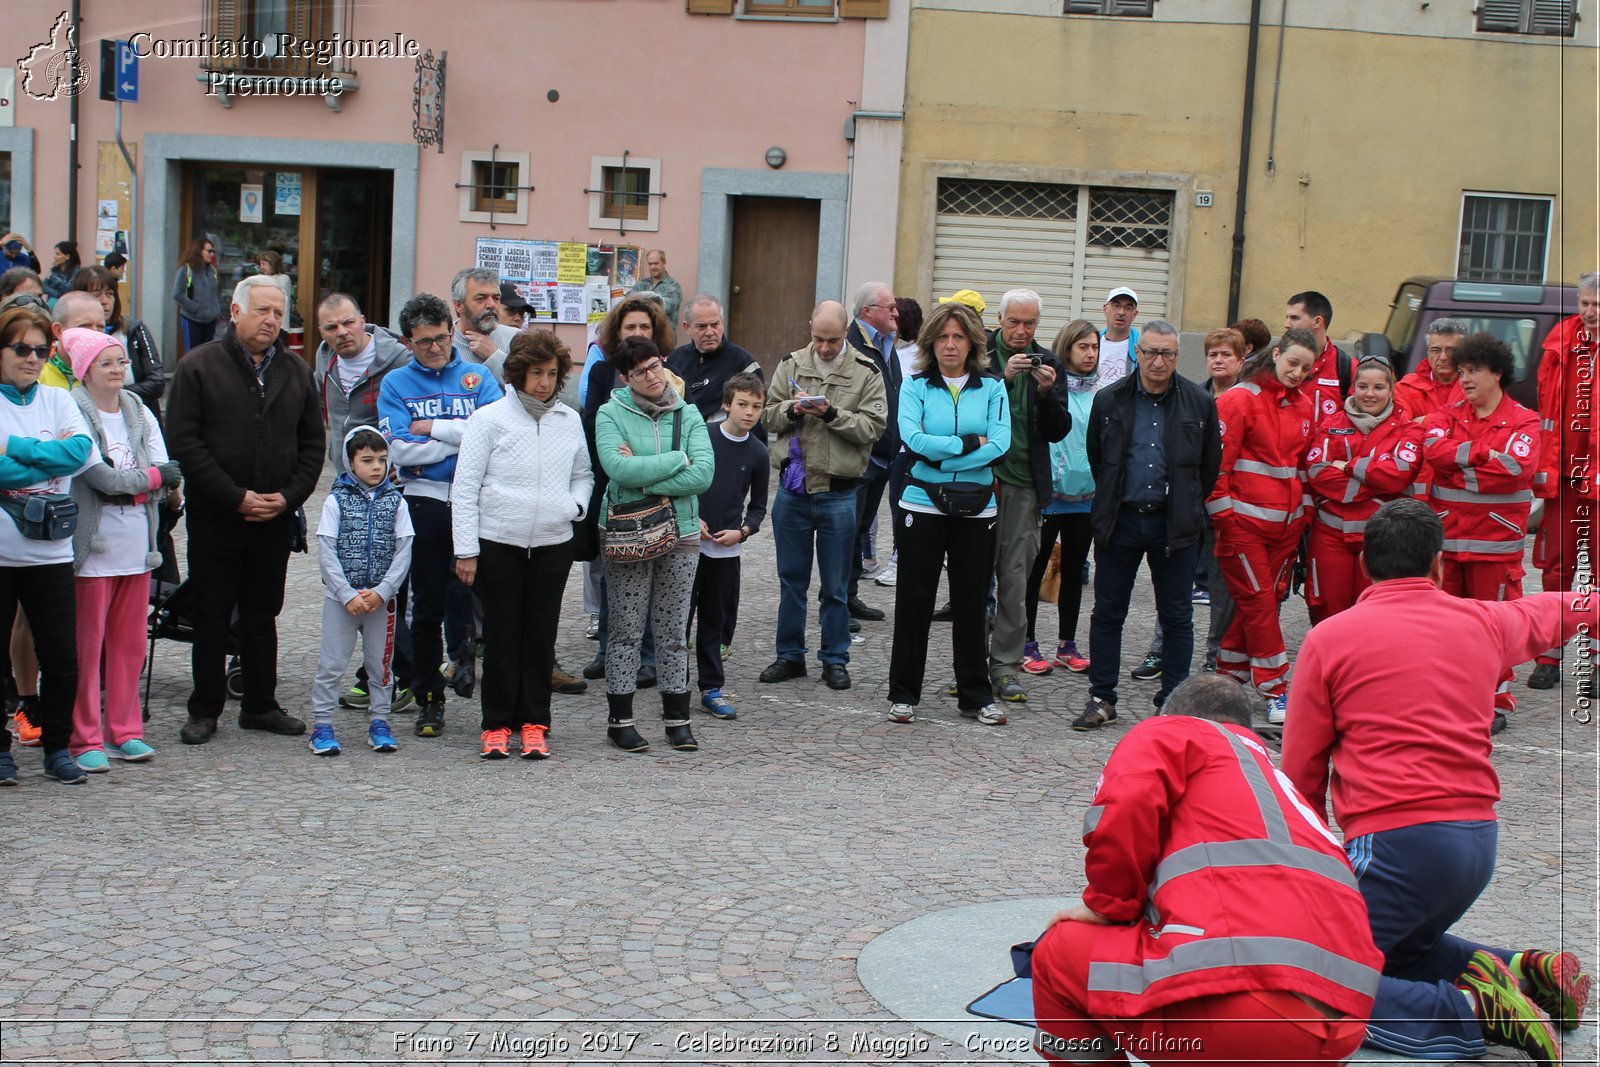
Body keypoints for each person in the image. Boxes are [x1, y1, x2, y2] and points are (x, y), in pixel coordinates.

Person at [1282, 498, 1590, 1062]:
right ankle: (1525, 971)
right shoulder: (1484, 621)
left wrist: (1312, 859)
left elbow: (1302, 768)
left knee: (1314, 975)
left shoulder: (1331, 638)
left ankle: (1474, 1011)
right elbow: (1559, 608)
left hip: (1395, 843)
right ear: (1439, 565)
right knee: (1392, 951)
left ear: (1366, 568)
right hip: (1477, 842)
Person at [1030, 674, 1381, 1066]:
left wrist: (1107, 906)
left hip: (1248, 1015)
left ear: (1173, 714)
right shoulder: (1279, 789)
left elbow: (1126, 801)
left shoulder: (1173, 733)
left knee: (1057, 955)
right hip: (1344, 1025)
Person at [166, 275, 325, 745]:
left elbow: (313, 444)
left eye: (278, 312)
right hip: (217, 514)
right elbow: (184, 443)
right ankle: (205, 708)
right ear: (235, 313)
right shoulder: (199, 366)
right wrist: (234, 496)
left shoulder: (295, 371)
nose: (271, 320)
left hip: (274, 516)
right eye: (262, 310)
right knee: (213, 613)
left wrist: (289, 496)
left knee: (262, 612)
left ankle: (260, 704)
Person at [451, 331, 590, 760]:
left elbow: (583, 474)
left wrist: (574, 505)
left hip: (553, 544)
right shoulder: (489, 419)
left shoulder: (569, 420)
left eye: (552, 374)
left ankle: (534, 722)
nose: (545, 382)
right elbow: (466, 486)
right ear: (517, 374)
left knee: (540, 637)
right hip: (498, 543)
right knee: (501, 634)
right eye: (536, 373)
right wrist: (466, 550)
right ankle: (496, 724)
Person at [1077, 321, 1220, 730]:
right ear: (1137, 353)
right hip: (1120, 521)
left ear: (1178, 356)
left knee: (1176, 615)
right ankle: (1102, 697)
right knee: (1108, 613)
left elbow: (1208, 469)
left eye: (1169, 354)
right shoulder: (1109, 400)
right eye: (1152, 352)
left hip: (1173, 525)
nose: (1159, 361)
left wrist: (1188, 506)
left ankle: (1172, 700)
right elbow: (1098, 458)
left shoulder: (1199, 402)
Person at [377, 293, 504, 739]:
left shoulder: (477, 375)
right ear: (407, 342)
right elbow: (396, 449)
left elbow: (495, 436)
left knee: (477, 594)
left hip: (475, 502)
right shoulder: (396, 384)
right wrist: (463, 438)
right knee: (426, 604)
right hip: (423, 502)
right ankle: (429, 697)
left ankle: (477, 674)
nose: (435, 348)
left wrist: (431, 428)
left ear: (453, 331)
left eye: (442, 338)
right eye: (423, 342)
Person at [885, 301, 1010, 726]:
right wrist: (968, 447)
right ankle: (903, 694)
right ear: (931, 342)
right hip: (921, 503)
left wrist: (945, 454)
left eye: (958, 336)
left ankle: (976, 696)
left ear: (973, 341)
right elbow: (912, 439)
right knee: (914, 598)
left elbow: (1001, 444)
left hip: (978, 508)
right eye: (942, 337)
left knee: (972, 602)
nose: (950, 345)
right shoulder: (915, 386)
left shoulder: (993, 388)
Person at [759, 301, 887, 692]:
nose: (825, 347)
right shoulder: (792, 364)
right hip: (794, 490)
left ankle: (834, 659)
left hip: (839, 493)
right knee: (791, 580)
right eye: (818, 338)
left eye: (832, 340)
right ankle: (789, 656)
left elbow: (873, 428)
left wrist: (832, 414)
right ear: (810, 329)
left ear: (846, 332)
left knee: (834, 586)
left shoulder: (866, 372)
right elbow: (765, 415)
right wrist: (792, 409)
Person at [65, 328, 177, 772]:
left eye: (121, 362)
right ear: (85, 371)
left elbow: (165, 465)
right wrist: (149, 481)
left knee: (130, 646)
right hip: (93, 548)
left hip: (137, 547)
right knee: (87, 647)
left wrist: (149, 481)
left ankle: (125, 730)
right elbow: (102, 477)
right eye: (107, 363)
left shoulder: (137, 408)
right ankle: (84, 736)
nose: (118, 370)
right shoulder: (73, 409)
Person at [595, 336, 714, 753]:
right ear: (626, 378)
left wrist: (640, 476)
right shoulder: (611, 414)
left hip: (680, 531)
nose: (651, 376)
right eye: (640, 371)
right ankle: (620, 720)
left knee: (672, 630)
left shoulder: (690, 413)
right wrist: (677, 460)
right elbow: (614, 467)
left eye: (655, 365)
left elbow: (704, 476)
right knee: (626, 629)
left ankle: (676, 720)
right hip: (628, 530)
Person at [0, 304, 99, 785]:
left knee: (62, 657)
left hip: (51, 553)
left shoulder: (59, 401)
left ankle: (58, 748)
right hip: (2, 553)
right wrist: (49, 460)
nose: (32, 358)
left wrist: (16, 450)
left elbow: (79, 454)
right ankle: (1, 752)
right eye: (21, 348)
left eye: (41, 350)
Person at [1421, 332, 1541, 730]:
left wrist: (1460, 464)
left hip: (1496, 548)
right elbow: (1433, 453)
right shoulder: (1446, 415)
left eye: (1474, 371)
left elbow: (1515, 471)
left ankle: (1495, 699)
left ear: (1498, 374)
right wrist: (1483, 453)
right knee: (1446, 629)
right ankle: (1447, 699)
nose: (1465, 379)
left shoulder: (1525, 420)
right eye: (1462, 372)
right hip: (1447, 545)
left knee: (1495, 626)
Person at [1209, 327, 1317, 724]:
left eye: (1305, 368)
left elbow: (1301, 466)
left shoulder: (1304, 405)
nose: (1297, 373)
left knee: (1262, 603)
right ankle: (1275, 688)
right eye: (1292, 363)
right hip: (1244, 527)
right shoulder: (1238, 401)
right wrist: (1225, 519)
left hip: (1285, 529)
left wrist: (1302, 514)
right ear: (1275, 355)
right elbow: (1216, 468)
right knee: (1258, 603)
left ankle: (1227, 675)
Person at [578, 293, 679, 685]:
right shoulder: (604, 372)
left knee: (655, 570)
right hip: (612, 483)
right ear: (616, 332)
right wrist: (620, 453)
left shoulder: (668, 373)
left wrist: (635, 454)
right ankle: (608, 648)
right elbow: (592, 423)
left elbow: (674, 433)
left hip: (658, 486)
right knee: (612, 570)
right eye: (629, 327)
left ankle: (649, 655)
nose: (636, 333)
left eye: (644, 328)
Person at [985, 288, 1070, 704]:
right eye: (1014, 322)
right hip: (979, 481)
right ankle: (968, 668)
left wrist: (1045, 393)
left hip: (1023, 485)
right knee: (971, 579)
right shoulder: (979, 354)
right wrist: (1004, 378)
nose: (1021, 332)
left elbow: (1058, 430)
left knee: (1015, 582)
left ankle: (1004, 668)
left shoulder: (1050, 363)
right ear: (999, 319)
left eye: (1030, 323)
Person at [308, 427, 413, 758]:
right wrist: (346, 593)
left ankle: (380, 720)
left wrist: (383, 591)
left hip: (382, 603)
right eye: (367, 460)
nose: (376, 467)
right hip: (341, 602)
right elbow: (327, 550)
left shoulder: (396, 501)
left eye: (382, 460)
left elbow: (403, 549)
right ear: (350, 463)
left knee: (380, 665)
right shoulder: (336, 500)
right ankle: (322, 725)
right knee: (332, 663)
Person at [1305, 355, 1424, 624]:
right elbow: (1317, 472)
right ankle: (1332, 665)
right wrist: (1372, 482)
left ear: (1392, 390)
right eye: (1363, 386)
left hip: (1382, 537)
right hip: (1331, 535)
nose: (1369, 394)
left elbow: (1398, 476)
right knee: (1327, 609)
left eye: (1378, 387)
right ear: (1353, 388)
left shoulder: (1408, 429)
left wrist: (1348, 466)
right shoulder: (1330, 424)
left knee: (1375, 613)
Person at [1530, 272, 1600, 693]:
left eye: (1599, 306)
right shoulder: (1559, 344)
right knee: (1557, 569)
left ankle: (1594, 659)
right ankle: (1548, 656)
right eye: (1586, 303)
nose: (1591, 313)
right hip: (1565, 480)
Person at [692, 373, 769, 721]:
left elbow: (758, 507)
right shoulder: (703, 437)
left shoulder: (758, 453)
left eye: (756, 406)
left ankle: (711, 687)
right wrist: (690, 517)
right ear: (727, 404)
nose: (749, 412)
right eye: (742, 404)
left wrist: (743, 531)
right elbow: (682, 481)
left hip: (725, 550)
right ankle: (671, 681)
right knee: (675, 618)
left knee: (714, 620)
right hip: (687, 543)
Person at [1022, 320, 1097, 677]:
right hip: (1050, 492)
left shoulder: (1103, 391)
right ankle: (1026, 641)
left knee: (1073, 572)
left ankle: (1067, 644)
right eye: (1083, 346)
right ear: (1066, 348)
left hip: (1086, 494)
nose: (1090, 353)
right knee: (1036, 570)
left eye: (1095, 347)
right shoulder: (1050, 384)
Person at [844, 281, 899, 623]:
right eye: (889, 307)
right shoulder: (852, 345)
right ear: (868, 312)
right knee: (847, 532)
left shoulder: (885, 343)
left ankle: (849, 596)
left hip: (882, 456)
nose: (896, 312)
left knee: (860, 527)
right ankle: (839, 601)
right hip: (860, 455)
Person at [68, 266, 163, 417]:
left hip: (135, 416)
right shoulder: (71, 337)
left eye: (110, 294)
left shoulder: (133, 330)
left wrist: (114, 395)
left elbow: (157, 382)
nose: (105, 301)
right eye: (96, 294)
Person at [666, 294, 763, 427]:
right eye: (702, 326)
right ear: (687, 327)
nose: (710, 332)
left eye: (715, 324)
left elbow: (755, 415)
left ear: (723, 323)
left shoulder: (743, 363)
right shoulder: (675, 360)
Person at [1285, 289, 1352, 427]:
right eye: (1287, 318)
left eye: (1294, 318)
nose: (1286, 324)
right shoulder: (1278, 362)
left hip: (1327, 447)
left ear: (1317, 322)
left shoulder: (1347, 368)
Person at [451, 267, 519, 385]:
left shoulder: (516, 339)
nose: (491, 305)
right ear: (459, 305)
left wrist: (494, 356)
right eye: (481, 298)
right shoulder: (443, 342)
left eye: (496, 298)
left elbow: (529, 392)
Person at [1393, 317, 1466, 424]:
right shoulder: (1405, 388)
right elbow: (1400, 427)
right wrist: (1452, 421)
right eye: (1436, 350)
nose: (1443, 357)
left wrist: (1423, 421)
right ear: (1427, 352)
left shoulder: (1476, 386)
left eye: (1451, 350)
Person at [40, 291, 106, 390]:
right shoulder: (37, 374)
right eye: (85, 326)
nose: (95, 333)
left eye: (100, 327)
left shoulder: (108, 373)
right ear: (58, 330)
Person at [171, 236, 221, 354]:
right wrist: (195, 307)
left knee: (206, 352)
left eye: (213, 251)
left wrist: (215, 309)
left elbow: (215, 292)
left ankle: (204, 373)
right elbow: (177, 294)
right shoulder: (186, 270)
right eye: (209, 251)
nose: (212, 254)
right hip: (192, 319)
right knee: (193, 353)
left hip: (210, 320)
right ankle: (190, 373)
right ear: (199, 251)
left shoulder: (212, 270)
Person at [1096, 286, 1140, 388]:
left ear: (1135, 314)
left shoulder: (1142, 347)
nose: (1121, 312)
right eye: (1116, 305)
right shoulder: (1092, 344)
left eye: (1128, 308)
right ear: (1105, 308)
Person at [631, 248, 682, 325]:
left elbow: (664, 307)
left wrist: (639, 301)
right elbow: (628, 300)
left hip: (664, 334)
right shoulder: (641, 284)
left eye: (656, 263)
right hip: (643, 332)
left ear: (664, 263)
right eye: (650, 264)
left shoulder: (673, 286)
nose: (653, 267)